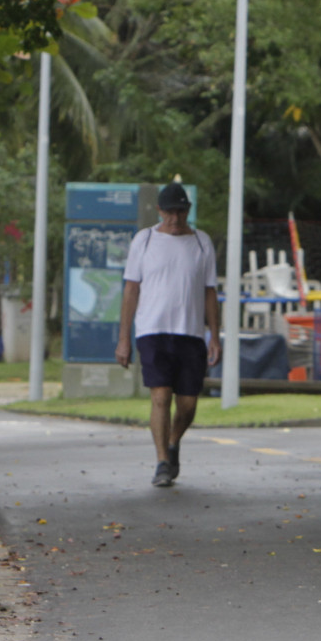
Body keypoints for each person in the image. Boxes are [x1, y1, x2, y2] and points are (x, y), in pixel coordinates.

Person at [115, 182, 221, 488]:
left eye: (181, 211)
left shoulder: (202, 243)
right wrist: (124, 339)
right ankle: (162, 461)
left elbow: (210, 292)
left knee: (188, 404)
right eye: (169, 211)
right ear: (159, 211)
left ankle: (173, 442)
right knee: (160, 396)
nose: (175, 218)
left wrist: (214, 335)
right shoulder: (144, 240)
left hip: (190, 332)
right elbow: (131, 290)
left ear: (188, 211)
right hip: (152, 330)